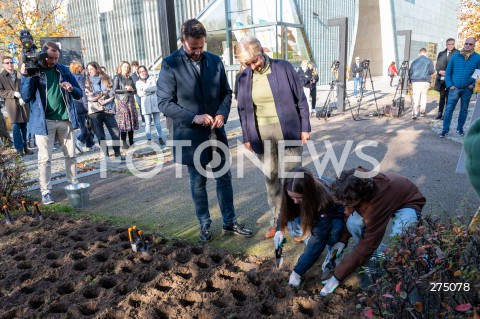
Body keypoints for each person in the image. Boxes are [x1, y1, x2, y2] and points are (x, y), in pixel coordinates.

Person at [157, 18, 253, 242]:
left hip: (216, 132)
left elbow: (226, 93)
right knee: (198, 181)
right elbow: (164, 103)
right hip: (190, 136)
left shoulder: (215, 60)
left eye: (202, 46)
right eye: (193, 47)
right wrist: (194, 118)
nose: (198, 51)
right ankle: (205, 224)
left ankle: (229, 222)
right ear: (183, 41)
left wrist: (221, 113)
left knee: (224, 178)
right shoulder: (170, 64)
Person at [236, 36, 311, 239]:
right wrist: (247, 136)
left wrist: (305, 127)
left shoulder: (283, 67)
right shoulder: (243, 77)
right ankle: (278, 223)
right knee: (272, 181)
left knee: (293, 180)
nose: (253, 66)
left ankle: (298, 225)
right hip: (261, 133)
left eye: (255, 61)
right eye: (248, 63)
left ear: (262, 51)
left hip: (288, 130)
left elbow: (300, 98)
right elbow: (242, 110)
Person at [320, 167, 426, 296]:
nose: (344, 204)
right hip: (387, 195)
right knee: (352, 223)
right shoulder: (353, 185)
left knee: (401, 239)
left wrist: (337, 276)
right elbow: (349, 210)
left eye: (348, 202)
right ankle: (372, 256)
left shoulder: (375, 205)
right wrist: (342, 240)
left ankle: (424, 262)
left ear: (361, 197)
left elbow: (369, 242)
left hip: (408, 201)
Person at [20, 41, 82, 205]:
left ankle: (73, 184)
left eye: (56, 58)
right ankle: (46, 191)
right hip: (44, 121)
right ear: (43, 54)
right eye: (50, 58)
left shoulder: (63, 70)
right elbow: (26, 97)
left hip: (65, 119)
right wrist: (26, 76)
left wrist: (70, 88)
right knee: (45, 159)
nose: (53, 61)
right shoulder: (35, 71)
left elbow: (79, 93)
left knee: (71, 155)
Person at [273, 167, 345, 288]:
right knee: (292, 225)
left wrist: (297, 272)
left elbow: (318, 240)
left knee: (333, 231)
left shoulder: (324, 199)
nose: (295, 201)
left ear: (308, 194)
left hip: (332, 216)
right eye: (292, 197)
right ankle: (309, 251)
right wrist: (278, 230)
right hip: (311, 211)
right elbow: (285, 212)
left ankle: (331, 251)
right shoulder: (291, 192)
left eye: (299, 198)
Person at [85, 61, 124, 161]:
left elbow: (112, 94)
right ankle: (106, 155)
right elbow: (90, 97)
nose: (89, 71)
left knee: (115, 132)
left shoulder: (106, 79)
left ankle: (117, 153)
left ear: (97, 69)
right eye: (88, 70)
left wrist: (100, 96)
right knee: (100, 134)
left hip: (108, 109)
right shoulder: (87, 81)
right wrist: (103, 93)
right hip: (94, 112)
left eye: (91, 69)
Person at [441, 37, 480, 137]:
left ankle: (459, 129)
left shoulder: (477, 58)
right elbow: (448, 72)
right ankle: (445, 130)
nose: (467, 45)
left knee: (464, 110)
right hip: (454, 88)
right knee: (449, 109)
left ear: (474, 45)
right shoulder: (455, 56)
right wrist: (450, 85)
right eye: (466, 43)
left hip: (467, 89)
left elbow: (478, 74)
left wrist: (473, 85)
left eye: (470, 44)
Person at [0, 56, 33, 156]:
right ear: (3, 64)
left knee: (24, 127)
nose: (10, 64)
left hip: (23, 103)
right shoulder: (1, 76)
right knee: (16, 127)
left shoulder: (19, 73)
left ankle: (25, 147)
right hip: (12, 104)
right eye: (7, 63)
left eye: (11, 62)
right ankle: (19, 149)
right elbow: (1, 91)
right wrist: (12, 93)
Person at [69, 61, 95, 153]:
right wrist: (86, 106)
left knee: (85, 125)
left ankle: (90, 144)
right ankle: (79, 140)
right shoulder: (81, 78)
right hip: (81, 105)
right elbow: (83, 93)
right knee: (86, 126)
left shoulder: (70, 78)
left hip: (74, 105)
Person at [135, 65, 165, 145]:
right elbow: (139, 93)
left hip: (154, 103)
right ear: (138, 73)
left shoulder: (152, 79)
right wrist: (148, 91)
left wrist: (145, 91)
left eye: (143, 71)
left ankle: (160, 137)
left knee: (157, 123)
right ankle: (149, 139)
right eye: (140, 72)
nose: (142, 73)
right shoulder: (138, 82)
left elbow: (155, 88)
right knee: (147, 123)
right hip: (146, 105)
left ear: (146, 71)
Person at [113, 61, 139, 149]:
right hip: (122, 102)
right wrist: (125, 89)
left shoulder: (130, 78)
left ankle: (131, 141)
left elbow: (135, 91)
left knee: (131, 121)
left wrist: (132, 89)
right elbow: (115, 90)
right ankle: (123, 142)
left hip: (131, 102)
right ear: (121, 67)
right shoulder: (117, 77)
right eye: (124, 67)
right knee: (124, 122)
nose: (126, 68)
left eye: (128, 67)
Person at [434, 38, 459, 120]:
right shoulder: (441, 53)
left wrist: (448, 72)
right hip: (441, 79)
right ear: (446, 44)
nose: (451, 46)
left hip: (451, 79)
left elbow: (458, 67)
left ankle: (446, 114)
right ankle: (440, 113)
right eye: (449, 44)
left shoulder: (458, 53)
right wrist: (439, 71)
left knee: (449, 97)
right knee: (442, 97)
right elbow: (437, 65)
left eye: (452, 44)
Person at [408, 48, 435, 119]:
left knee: (416, 97)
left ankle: (414, 113)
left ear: (419, 54)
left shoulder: (414, 61)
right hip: (425, 80)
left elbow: (410, 72)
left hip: (416, 81)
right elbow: (432, 71)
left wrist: (410, 80)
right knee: (423, 96)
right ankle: (422, 112)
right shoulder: (429, 61)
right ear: (425, 53)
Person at [130, 60, 145, 126]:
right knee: (141, 106)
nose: (135, 68)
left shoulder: (142, 73)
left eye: (136, 66)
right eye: (134, 67)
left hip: (144, 92)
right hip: (137, 93)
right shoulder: (132, 76)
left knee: (146, 105)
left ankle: (150, 120)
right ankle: (144, 120)